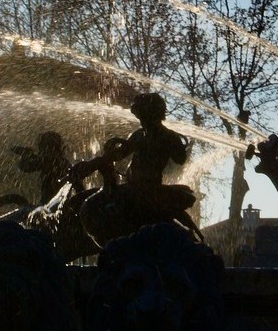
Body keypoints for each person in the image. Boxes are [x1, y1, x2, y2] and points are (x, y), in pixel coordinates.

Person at [71, 93, 198, 244]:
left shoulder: (167, 136)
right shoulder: (139, 134)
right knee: (82, 200)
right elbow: (118, 155)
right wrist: (97, 160)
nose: (138, 117)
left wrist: (170, 143)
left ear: (150, 112)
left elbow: (180, 159)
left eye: (140, 113)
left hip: (148, 188)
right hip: (132, 186)